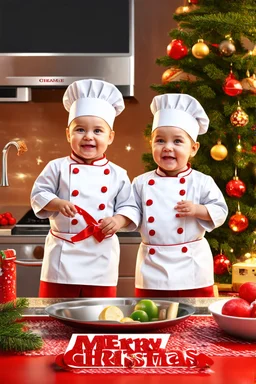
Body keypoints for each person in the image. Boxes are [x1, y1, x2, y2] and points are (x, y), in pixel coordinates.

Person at [31, 79, 139, 298]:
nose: (88, 136)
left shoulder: (118, 174)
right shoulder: (57, 167)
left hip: (100, 255)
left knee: (97, 314)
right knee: (54, 312)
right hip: (62, 256)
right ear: (68, 134)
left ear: (110, 137)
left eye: (98, 131)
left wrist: (118, 221)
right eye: (80, 129)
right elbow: (38, 194)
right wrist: (58, 203)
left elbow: (130, 207)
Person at [132, 93, 228, 298]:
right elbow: (130, 210)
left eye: (177, 141)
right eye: (160, 140)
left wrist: (198, 210)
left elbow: (220, 210)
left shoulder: (202, 181)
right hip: (152, 267)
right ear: (151, 144)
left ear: (193, 149)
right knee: (152, 316)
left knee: (196, 322)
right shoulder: (140, 182)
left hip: (191, 267)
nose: (167, 147)